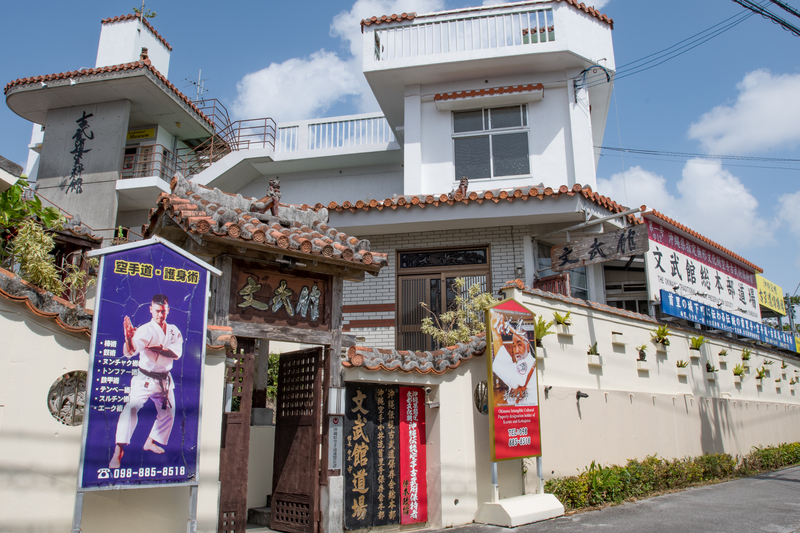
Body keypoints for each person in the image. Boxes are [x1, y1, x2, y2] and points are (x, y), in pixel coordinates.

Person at [109, 294, 183, 469]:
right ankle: (118, 451)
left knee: (169, 414)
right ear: (151, 309)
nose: (160, 314)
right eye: (157, 311)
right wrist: (128, 338)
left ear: (168, 310)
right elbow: (131, 352)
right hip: (145, 379)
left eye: (163, 311)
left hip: (164, 380)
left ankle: (150, 441)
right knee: (130, 409)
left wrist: (157, 348)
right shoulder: (145, 330)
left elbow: (176, 354)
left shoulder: (173, 330)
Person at [491, 316, 537, 406]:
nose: (516, 351)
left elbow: (507, 371)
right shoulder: (521, 365)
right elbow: (511, 400)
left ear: (528, 346)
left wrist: (496, 335)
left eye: (519, 345)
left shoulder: (528, 363)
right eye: (514, 346)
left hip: (528, 412)